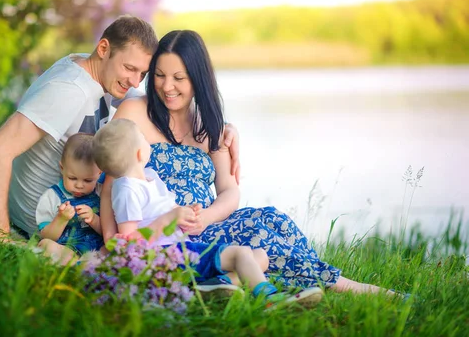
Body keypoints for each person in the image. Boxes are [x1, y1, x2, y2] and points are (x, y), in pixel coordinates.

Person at [100, 29, 403, 296]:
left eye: (179, 78)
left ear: (198, 78)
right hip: (164, 236)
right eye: (160, 76)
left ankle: (298, 277)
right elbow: (111, 183)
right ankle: (346, 286)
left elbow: (229, 190)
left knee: (272, 219)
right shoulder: (135, 111)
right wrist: (114, 242)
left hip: (204, 223)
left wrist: (206, 217)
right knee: (258, 238)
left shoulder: (209, 123)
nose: (167, 87)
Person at [0, 15, 241, 240]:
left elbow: (160, 102)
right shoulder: (69, 90)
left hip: (77, 207)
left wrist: (225, 127)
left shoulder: (99, 73)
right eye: (129, 68)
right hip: (51, 219)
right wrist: (0, 237)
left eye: (143, 74)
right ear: (103, 48)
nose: (135, 80)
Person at [92, 118, 324, 310]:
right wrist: (168, 219)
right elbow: (131, 246)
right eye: (142, 136)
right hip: (167, 259)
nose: (146, 138)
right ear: (140, 152)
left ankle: (210, 289)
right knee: (240, 254)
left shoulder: (148, 176)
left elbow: (160, 215)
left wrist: (183, 216)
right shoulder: (126, 190)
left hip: (182, 249)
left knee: (260, 256)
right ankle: (270, 299)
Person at [35, 133, 103, 262]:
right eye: (72, 178)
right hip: (68, 250)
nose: (79, 185)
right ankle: (77, 265)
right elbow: (48, 236)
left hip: (99, 249)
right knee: (45, 244)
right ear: (62, 168)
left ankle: (85, 265)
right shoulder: (52, 197)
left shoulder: (102, 192)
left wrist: (94, 219)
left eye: (88, 180)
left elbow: (108, 232)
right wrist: (61, 219)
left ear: (99, 173)